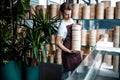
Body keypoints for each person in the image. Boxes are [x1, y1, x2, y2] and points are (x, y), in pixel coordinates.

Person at [56, 2, 82, 80]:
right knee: (66, 76)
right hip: (68, 54)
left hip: (75, 53)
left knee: (75, 75)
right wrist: (69, 51)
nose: (69, 16)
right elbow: (57, 42)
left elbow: (73, 31)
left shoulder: (71, 19)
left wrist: (77, 26)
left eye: (70, 14)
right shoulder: (62, 26)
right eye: (66, 14)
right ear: (61, 13)